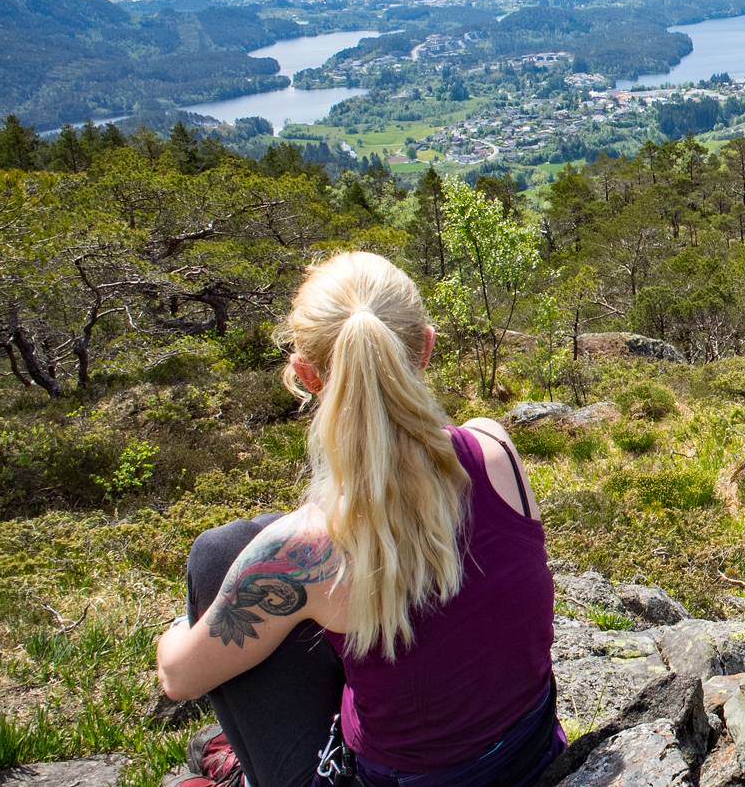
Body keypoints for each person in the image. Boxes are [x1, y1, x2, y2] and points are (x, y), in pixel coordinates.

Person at [157, 252, 561, 787]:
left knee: (216, 555)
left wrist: (184, 629)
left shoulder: (307, 549)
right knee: (252, 540)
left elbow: (177, 678)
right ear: (425, 348)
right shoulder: (495, 448)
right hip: (531, 754)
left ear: (306, 375)